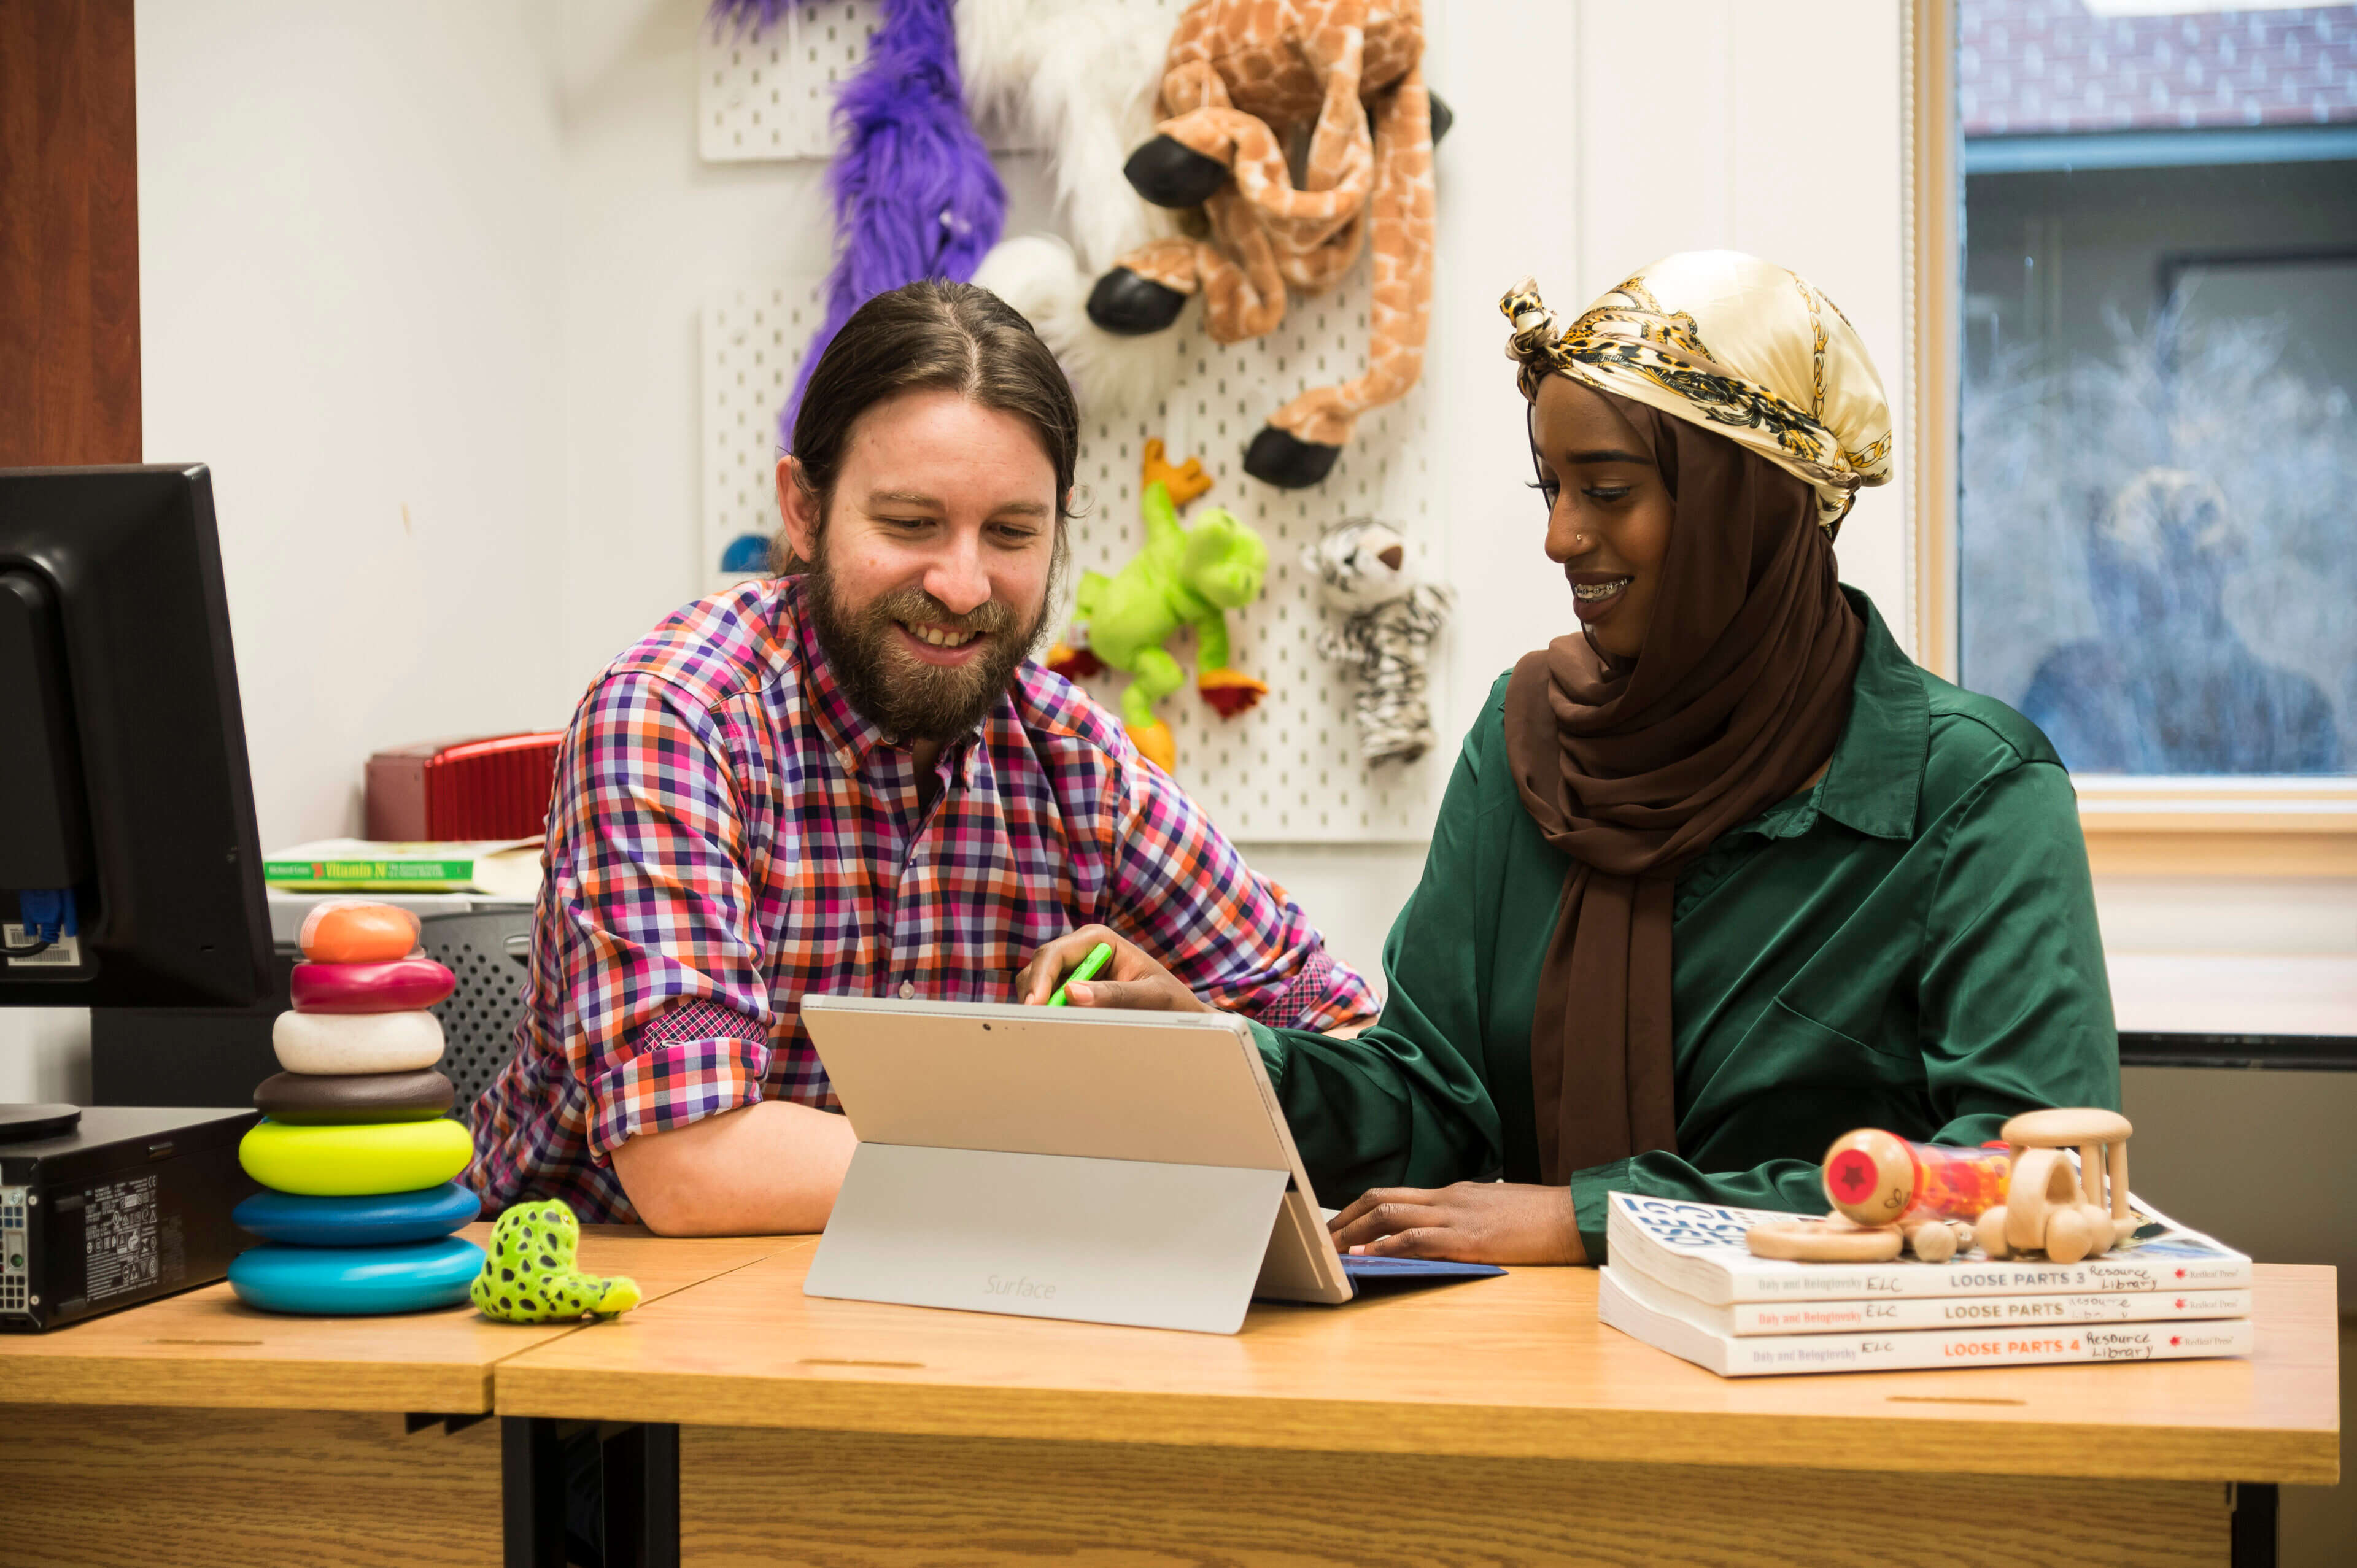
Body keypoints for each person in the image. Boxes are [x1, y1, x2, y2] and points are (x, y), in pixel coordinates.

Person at [1027, 252, 2121, 1265]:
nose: (1561, 538)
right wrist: (1208, 1053)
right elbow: (1429, 1100)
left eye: (1608, 491)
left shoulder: (1968, 791)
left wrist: (1590, 1218)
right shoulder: (1529, 741)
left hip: (1838, 1407)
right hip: (1544, 1374)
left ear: (1749, 506)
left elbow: (2023, 1175)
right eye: (1552, 488)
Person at [471, 280, 1377, 1233]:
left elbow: (1354, 1054)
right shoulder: (673, 720)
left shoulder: (1077, 763)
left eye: (1014, 533)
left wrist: (1193, 1034)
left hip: (936, 1302)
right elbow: (696, 1165)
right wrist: (1096, 1140)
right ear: (804, 510)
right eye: (909, 525)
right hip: (601, 1327)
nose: (962, 584)